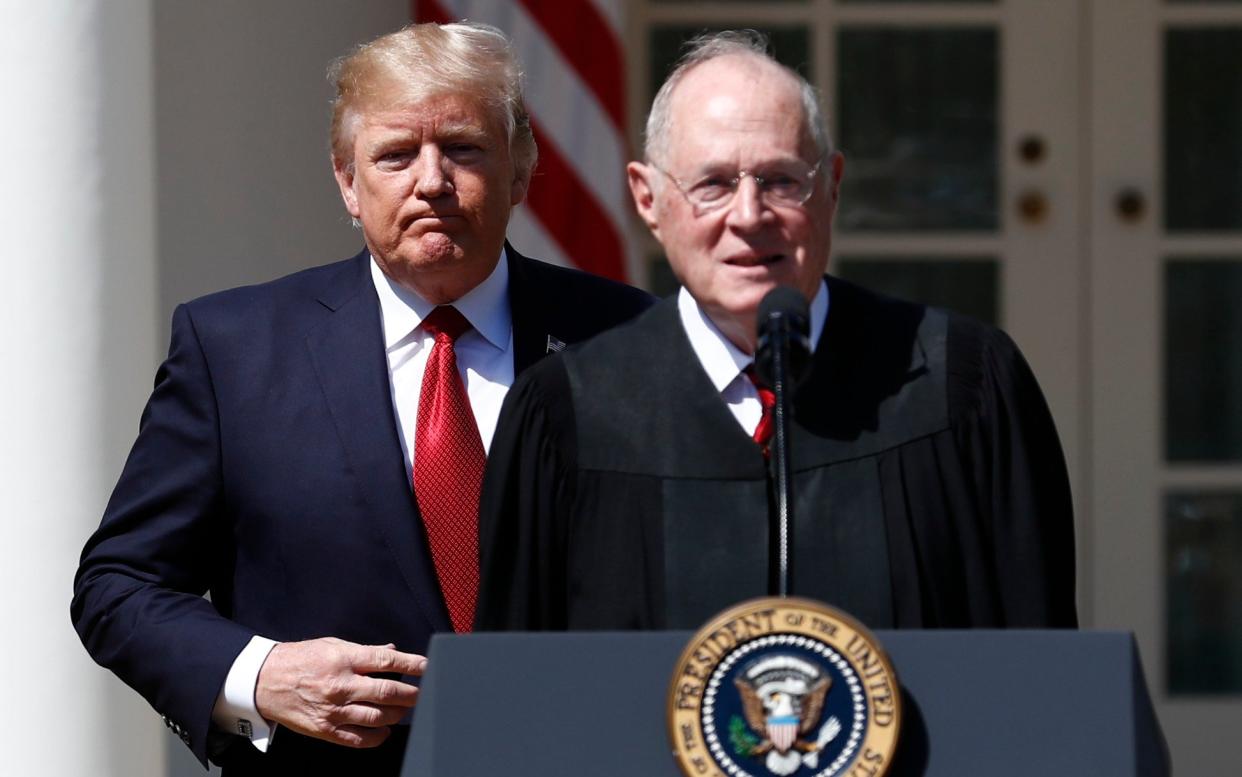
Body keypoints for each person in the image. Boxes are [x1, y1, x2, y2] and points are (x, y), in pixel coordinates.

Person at [71, 22, 651, 774]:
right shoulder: (236, 349)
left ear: (520, 172)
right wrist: (261, 673)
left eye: (465, 148)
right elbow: (120, 585)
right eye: (396, 155)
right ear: (348, 181)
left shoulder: (628, 338)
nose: (432, 181)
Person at [475, 30, 1076, 634]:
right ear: (649, 199)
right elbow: (520, 691)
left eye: (781, 181)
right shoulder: (567, 413)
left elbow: (1040, 671)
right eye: (711, 184)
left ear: (833, 186)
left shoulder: (960, 385)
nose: (748, 216)